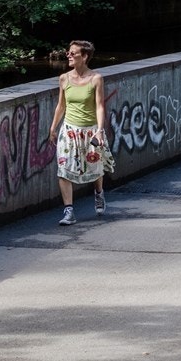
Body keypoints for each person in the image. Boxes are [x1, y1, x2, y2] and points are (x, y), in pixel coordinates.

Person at [51, 39, 112, 225]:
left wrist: (100, 131)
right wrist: (53, 128)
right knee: (63, 170)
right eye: (68, 52)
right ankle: (69, 211)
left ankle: (99, 193)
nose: (68, 55)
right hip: (69, 131)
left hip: (90, 131)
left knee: (95, 167)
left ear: (84, 56)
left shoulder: (96, 79)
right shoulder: (64, 78)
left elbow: (100, 106)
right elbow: (61, 105)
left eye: (73, 53)